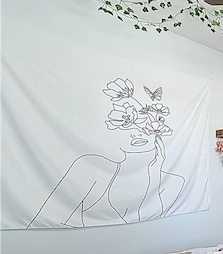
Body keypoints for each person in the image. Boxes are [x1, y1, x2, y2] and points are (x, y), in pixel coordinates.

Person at [27, 78, 185, 228]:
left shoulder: (174, 181)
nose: (137, 134)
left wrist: (156, 173)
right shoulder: (92, 168)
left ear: (157, 133)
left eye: (144, 128)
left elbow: (156, 224)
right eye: (127, 127)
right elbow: (52, 217)